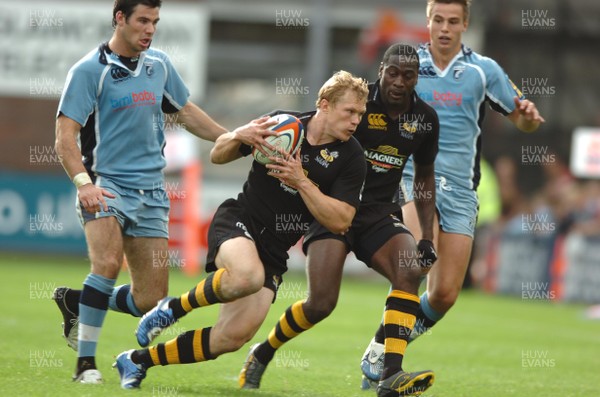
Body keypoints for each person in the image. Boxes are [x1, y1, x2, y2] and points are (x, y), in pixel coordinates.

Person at [52, 0, 272, 384]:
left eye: (155, 21)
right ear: (119, 19)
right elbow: (64, 137)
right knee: (105, 265)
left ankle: (76, 299)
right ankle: (85, 365)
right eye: (142, 20)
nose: (150, 29)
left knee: (149, 300)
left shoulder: (160, 65)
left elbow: (186, 112)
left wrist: (234, 137)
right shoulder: (89, 71)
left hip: (152, 191)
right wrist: (84, 184)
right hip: (106, 185)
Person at [112, 70, 369, 390]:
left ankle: (137, 361)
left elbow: (341, 220)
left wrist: (301, 180)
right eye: (350, 112)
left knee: (231, 338)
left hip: (274, 251)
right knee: (247, 276)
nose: (356, 120)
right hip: (240, 221)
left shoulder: (352, 157)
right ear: (325, 105)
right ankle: (173, 308)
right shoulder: (282, 125)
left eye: (361, 113)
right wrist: (238, 135)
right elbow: (217, 155)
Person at [360, 0, 545, 388]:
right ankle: (389, 368)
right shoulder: (410, 66)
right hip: (414, 178)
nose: (445, 28)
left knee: (443, 294)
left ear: (465, 25)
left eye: (453, 21)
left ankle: (380, 345)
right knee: (415, 264)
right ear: (428, 21)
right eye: (438, 20)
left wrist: (527, 120)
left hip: (461, 189)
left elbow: (520, 117)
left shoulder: (484, 70)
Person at [238, 44, 440, 397]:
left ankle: (390, 374)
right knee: (320, 304)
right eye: (392, 72)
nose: (398, 81)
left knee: (409, 270)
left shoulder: (425, 120)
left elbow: (423, 177)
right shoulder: (358, 104)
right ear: (382, 69)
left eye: (407, 75)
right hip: (331, 208)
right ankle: (264, 350)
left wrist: (425, 236)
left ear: (416, 79)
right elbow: (315, 122)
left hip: (378, 213)